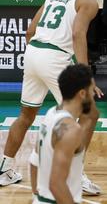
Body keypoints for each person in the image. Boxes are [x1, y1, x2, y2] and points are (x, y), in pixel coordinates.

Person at [0, 0, 104, 194]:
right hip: (54, 57)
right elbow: (78, 34)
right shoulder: (88, 0)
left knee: (26, 115)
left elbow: (30, 31)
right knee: (89, 114)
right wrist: (85, 75)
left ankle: (5, 167)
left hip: (33, 52)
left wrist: (37, 56)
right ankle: (75, 173)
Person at [29, 64, 98, 204]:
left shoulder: (50, 114)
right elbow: (56, 184)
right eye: (92, 90)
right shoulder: (71, 130)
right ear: (82, 94)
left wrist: (37, 195)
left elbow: (34, 161)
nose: (94, 95)